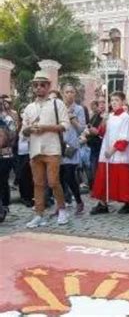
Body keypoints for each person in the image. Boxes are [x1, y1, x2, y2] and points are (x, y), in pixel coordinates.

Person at [22, 71, 70, 228]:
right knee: (38, 184)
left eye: (42, 84)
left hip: (52, 148)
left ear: (49, 86)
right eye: (36, 85)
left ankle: (62, 209)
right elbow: (22, 131)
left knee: (54, 181)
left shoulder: (57, 104)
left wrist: (45, 127)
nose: (39, 87)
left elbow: (65, 125)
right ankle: (38, 214)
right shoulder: (29, 107)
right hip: (35, 149)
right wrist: (30, 129)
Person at [90, 91, 129, 214]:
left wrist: (112, 150)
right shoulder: (109, 115)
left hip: (119, 154)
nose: (114, 102)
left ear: (122, 102)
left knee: (122, 179)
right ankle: (102, 203)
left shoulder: (125, 116)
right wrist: (104, 120)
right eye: (112, 100)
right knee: (104, 177)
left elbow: (125, 137)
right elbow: (101, 132)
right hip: (106, 151)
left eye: (117, 100)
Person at [59, 84, 86, 215]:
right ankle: (61, 205)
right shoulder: (58, 107)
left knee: (70, 176)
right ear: (62, 93)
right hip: (58, 145)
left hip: (71, 146)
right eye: (67, 92)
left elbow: (81, 129)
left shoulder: (79, 109)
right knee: (57, 177)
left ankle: (79, 201)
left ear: (75, 94)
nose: (69, 94)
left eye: (72, 92)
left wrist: (72, 118)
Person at [0, 102, 17, 222]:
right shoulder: (7, 119)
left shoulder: (6, 119)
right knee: (3, 182)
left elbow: (12, 136)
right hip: (6, 155)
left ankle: (3, 207)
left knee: (3, 182)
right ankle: (3, 206)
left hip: (5, 155)